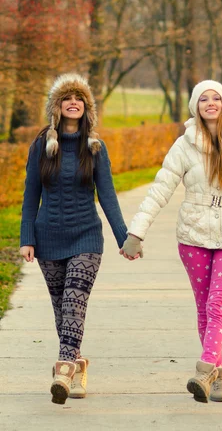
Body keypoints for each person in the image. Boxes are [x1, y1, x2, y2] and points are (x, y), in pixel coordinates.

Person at [120, 80, 222, 403]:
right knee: (204, 309)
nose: (211, 103)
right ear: (196, 106)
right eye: (204, 99)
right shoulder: (183, 146)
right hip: (193, 237)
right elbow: (160, 189)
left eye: (216, 98)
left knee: (218, 305)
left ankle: (204, 371)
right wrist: (136, 232)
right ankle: (221, 375)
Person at [19, 73, 129, 405]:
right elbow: (30, 195)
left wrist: (126, 238)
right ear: (57, 106)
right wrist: (27, 238)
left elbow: (107, 196)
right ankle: (77, 365)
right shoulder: (41, 145)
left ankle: (63, 369)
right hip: (48, 237)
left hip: (86, 237)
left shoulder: (95, 147)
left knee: (73, 304)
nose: (73, 102)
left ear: (86, 108)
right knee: (60, 309)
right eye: (67, 98)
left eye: (79, 98)